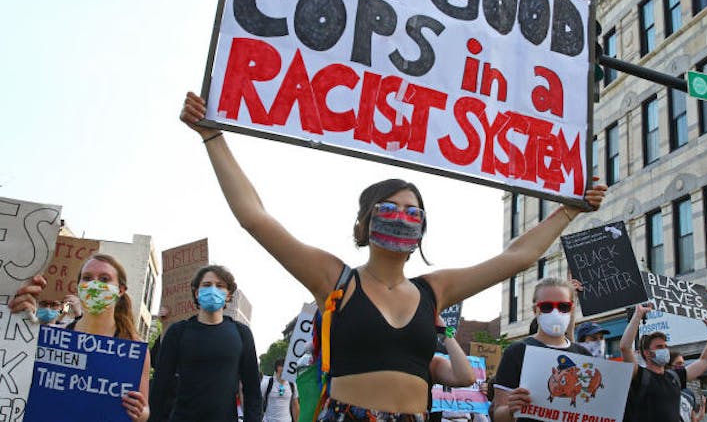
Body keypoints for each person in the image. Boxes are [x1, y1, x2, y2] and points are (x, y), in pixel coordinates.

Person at [179, 92, 607, 421]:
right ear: (365, 221)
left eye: (412, 211)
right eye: (390, 207)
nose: (402, 217)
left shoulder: (435, 289)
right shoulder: (335, 279)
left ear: (422, 228)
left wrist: (569, 210)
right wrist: (212, 136)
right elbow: (255, 218)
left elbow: (516, 257)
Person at [8, 253, 151, 421]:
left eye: (104, 279)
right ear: (78, 287)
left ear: (120, 290)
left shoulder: (135, 349)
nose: (94, 284)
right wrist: (16, 319)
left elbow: (144, 409)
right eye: (87, 278)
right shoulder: (53, 337)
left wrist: (140, 413)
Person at [149, 264, 262, 422]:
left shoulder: (242, 334)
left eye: (220, 286)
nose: (213, 290)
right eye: (207, 285)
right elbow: (160, 386)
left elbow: (252, 389)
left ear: (228, 295)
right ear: (197, 293)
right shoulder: (178, 331)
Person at [489, 277, 592, 422]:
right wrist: (511, 410)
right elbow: (498, 414)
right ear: (535, 310)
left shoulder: (584, 355)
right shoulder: (517, 352)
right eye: (547, 307)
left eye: (563, 307)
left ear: (571, 309)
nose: (555, 312)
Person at [619, 303, 707, 422]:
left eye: (665, 346)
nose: (665, 350)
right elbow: (625, 347)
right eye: (659, 347)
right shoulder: (640, 376)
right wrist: (638, 315)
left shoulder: (674, 377)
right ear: (647, 353)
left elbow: (706, 361)